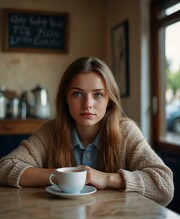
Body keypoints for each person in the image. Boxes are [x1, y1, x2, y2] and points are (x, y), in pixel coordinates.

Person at [0, 56, 174, 206]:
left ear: (109, 101)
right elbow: (5, 167)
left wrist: (106, 179)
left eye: (98, 94)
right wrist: (65, 176)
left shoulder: (126, 132)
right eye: (77, 94)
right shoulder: (51, 131)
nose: (87, 104)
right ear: (65, 99)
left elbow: (164, 186)